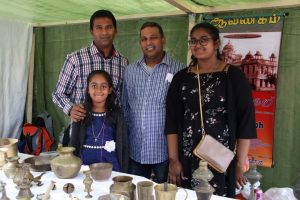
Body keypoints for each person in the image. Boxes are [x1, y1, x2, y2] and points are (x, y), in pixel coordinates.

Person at [165, 22, 257, 197]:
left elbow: (246, 120)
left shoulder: (233, 76)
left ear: (216, 44)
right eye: (193, 41)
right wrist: (174, 159)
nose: (197, 45)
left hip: (220, 157)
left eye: (203, 40)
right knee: (189, 195)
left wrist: (239, 163)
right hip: (188, 156)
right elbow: (171, 120)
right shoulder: (181, 78)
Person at [122, 22, 185, 183]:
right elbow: (125, 107)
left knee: (166, 195)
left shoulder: (179, 70)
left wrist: (175, 157)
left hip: (165, 153)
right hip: (136, 151)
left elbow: (181, 114)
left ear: (163, 40)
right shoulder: (130, 71)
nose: (148, 43)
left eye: (153, 38)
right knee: (135, 193)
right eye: (144, 39)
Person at [52, 9, 128, 122]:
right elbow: (58, 94)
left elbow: (124, 99)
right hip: (83, 130)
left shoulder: (123, 62)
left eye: (109, 27)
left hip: (111, 131)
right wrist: (70, 108)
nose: (104, 32)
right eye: (99, 28)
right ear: (91, 31)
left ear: (115, 31)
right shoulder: (75, 59)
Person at [70, 70, 128, 172]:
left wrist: (124, 171)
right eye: (94, 86)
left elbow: (123, 145)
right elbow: (74, 142)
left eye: (103, 86)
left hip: (111, 167)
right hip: (84, 166)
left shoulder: (116, 114)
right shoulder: (80, 112)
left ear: (110, 90)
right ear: (88, 89)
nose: (99, 90)